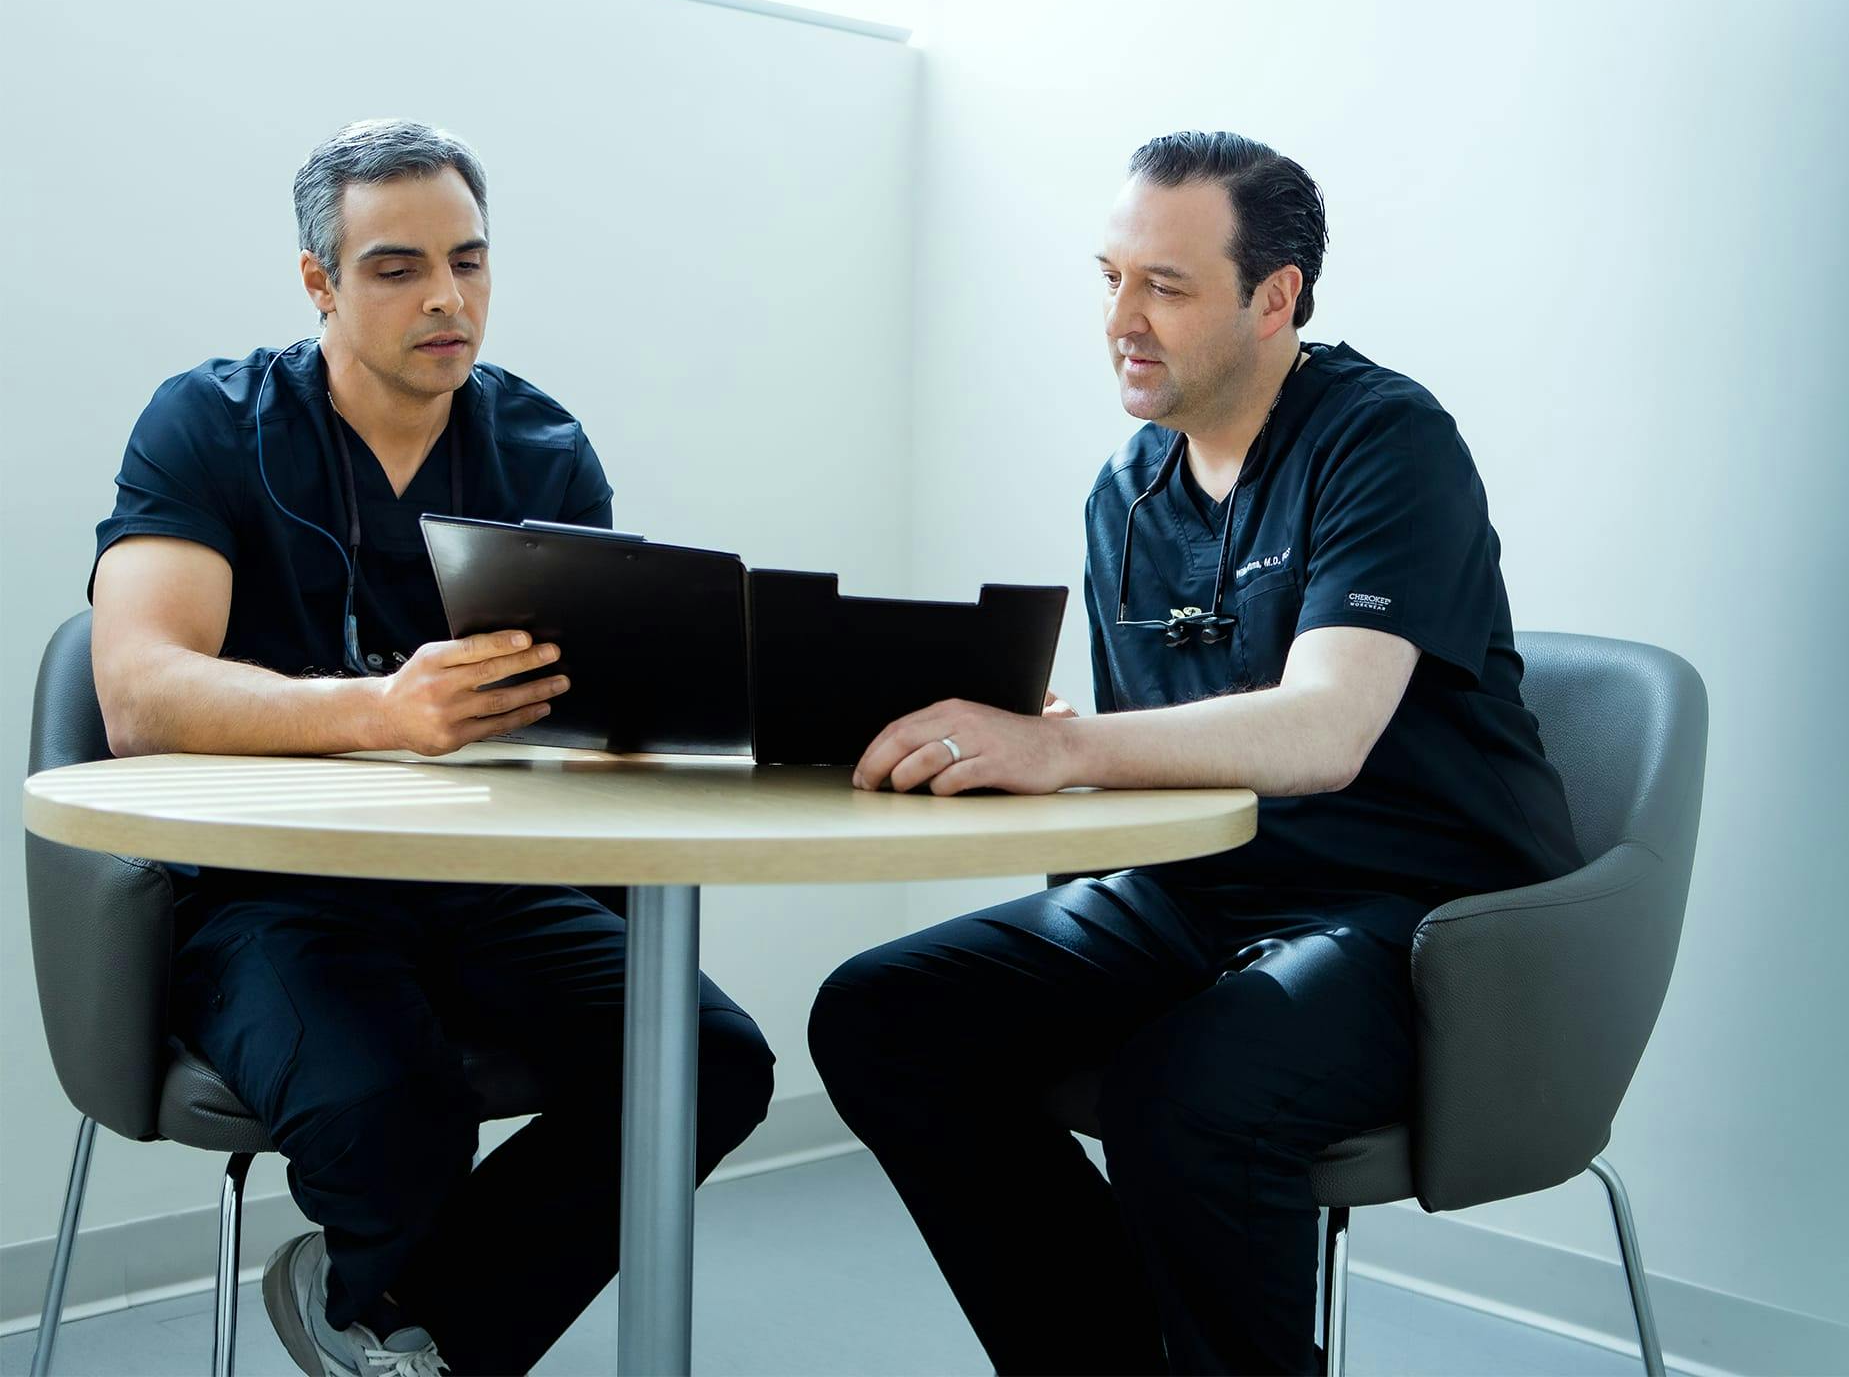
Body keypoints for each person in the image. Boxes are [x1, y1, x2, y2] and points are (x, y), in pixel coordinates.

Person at [808, 130, 1583, 1375]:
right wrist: (1052, 745)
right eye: (1110, 275)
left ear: (1275, 299)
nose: (1122, 317)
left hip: (1416, 918)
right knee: (882, 1016)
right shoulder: (1128, 488)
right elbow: (1161, 746)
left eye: (1165, 285)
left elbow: (1326, 731)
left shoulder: (1383, 441)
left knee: (1188, 1092)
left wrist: (1065, 755)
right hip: (1198, 892)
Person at [89, 118, 774, 1376]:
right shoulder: (206, 422)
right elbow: (138, 692)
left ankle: (407, 1321)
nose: (447, 298)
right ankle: (395, 1294)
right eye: (398, 267)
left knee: (710, 1065)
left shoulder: (543, 447)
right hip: (270, 889)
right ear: (319, 282)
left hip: (489, 884)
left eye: (470, 259)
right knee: (391, 1112)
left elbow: (588, 711)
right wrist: (381, 713)